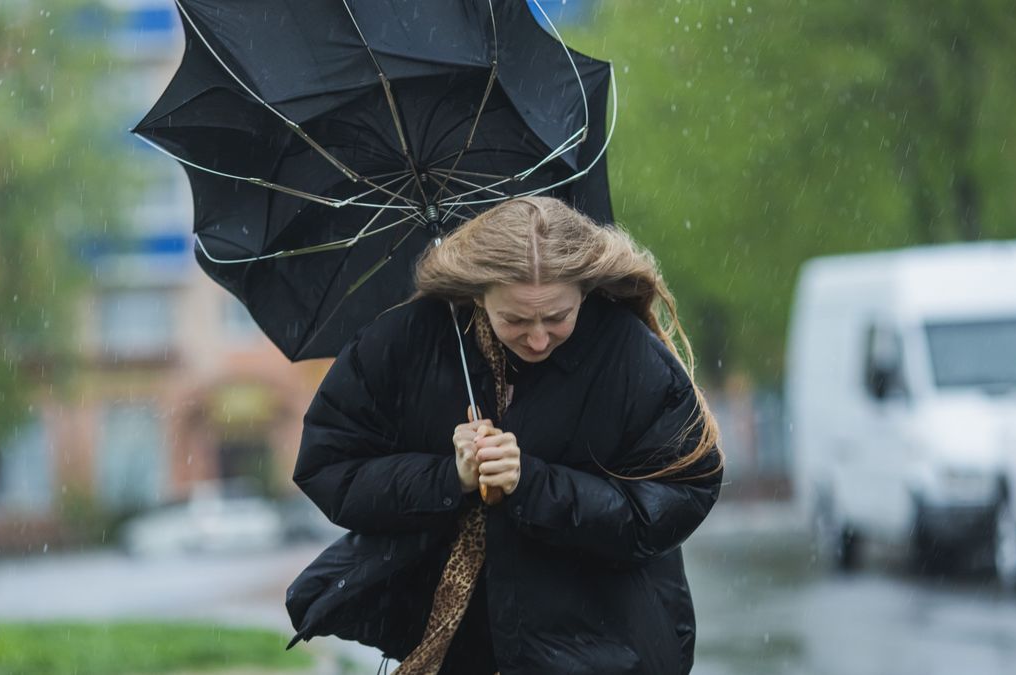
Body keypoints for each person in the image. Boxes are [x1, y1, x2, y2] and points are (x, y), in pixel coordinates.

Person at [286, 196, 724, 674]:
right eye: (515, 319)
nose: (538, 338)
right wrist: (448, 478)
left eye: (557, 317)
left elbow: (676, 499)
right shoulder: (404, 344)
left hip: (604, 653)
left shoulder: (630, 357)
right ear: (478, 293)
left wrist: (533, 484)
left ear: (584, 291)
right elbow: (330, 468)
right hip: (459, 653)